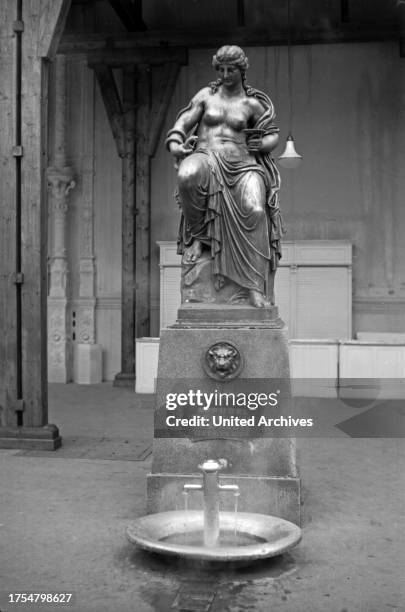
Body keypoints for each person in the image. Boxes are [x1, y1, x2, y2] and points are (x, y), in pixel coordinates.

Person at [166, 45, 283, 308]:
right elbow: (184, 122)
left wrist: (262, 145)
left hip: (243, 163)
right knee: (187, 173)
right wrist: (176, 143)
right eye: (222, 69)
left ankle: (254, 288)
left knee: (255, 209)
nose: (226, 74)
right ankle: (200, 238)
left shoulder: (252, 104)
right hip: (207, 156)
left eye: (232, 69)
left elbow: (272, 133)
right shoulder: (207, 96)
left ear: (242, 70)